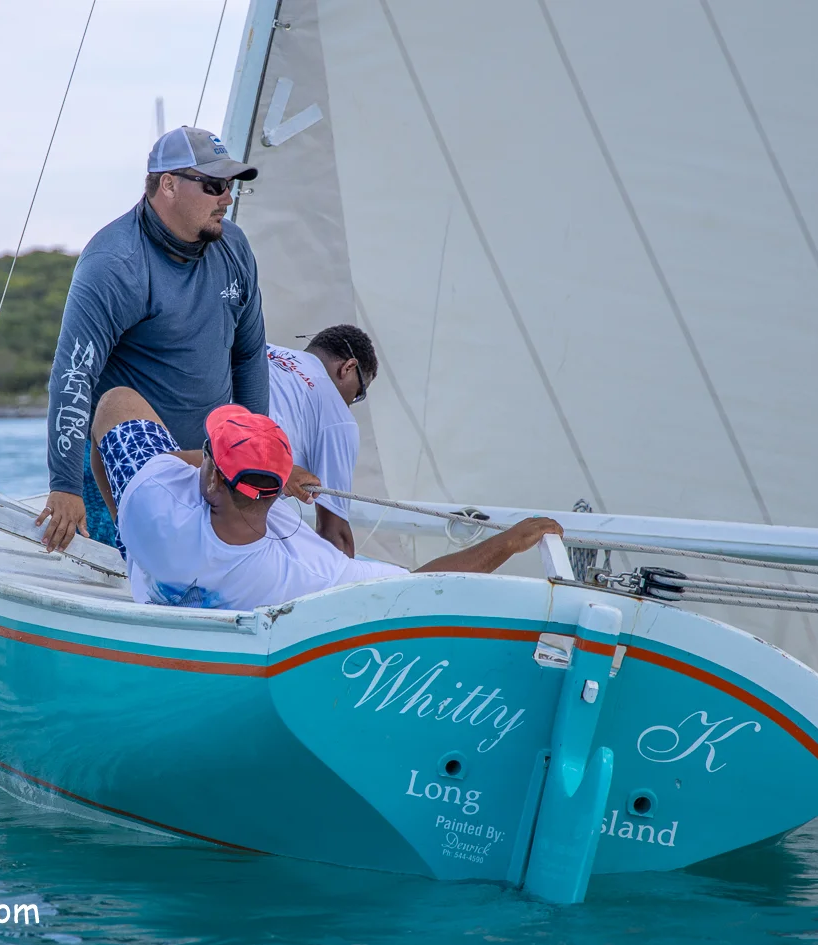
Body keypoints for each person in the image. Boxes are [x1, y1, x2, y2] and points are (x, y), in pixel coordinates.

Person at [89, 387, 563, 611]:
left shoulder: (152, 498)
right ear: (276, 495)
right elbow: (426, 585)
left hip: (145, 556)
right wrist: (507, 542)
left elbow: (113, 404)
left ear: (211, 477)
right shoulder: (305, 576)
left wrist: (127, 525)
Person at [36, 126, 268, 553]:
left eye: (231, 186)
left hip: (211, 469)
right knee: (130, 583)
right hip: (122, 469)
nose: (227, 199)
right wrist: (65, 487)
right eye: (215, 185)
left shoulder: (234, 247)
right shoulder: (115, 263)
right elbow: (73, 376)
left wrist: (257, 457)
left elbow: (250, 355)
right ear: (168, 185)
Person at [265, 324, 376, 556]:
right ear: (348, 367)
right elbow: (335, 536)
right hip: (218, 504)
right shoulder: (339, 417)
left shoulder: (264, 349)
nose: (350, 404)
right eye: (358, 394)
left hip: (177, 455)